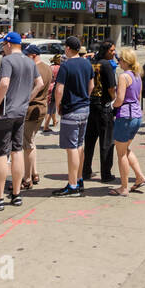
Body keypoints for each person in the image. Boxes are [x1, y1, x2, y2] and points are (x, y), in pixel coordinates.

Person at [0, 33, 35, 210]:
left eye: (4, 45)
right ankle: (16, 194)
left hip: (5, 113)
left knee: (0, 155)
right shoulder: (29, 60)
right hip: (21, 112)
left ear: (9, 44)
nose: (3, 48)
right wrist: (27, 98)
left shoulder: (7, 60)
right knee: (17, 151)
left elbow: (4, 83)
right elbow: (40, 82)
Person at [53, 36, 94, 197]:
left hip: (71, 109)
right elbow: (91, 85)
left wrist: (58, 106)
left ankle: (72, 185)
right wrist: (85, 97)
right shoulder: (86, 63)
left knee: (71, 148)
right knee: (79, 145)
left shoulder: (66, 65)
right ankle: (79, 178)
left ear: (68, 48)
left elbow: (59, 89)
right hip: (85, 107)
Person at [110, 48, 145, 195]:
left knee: (121, 154)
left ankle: (124, 186)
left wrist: (112, 105)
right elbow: (138, 97)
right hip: (136, 116)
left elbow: (119, 99)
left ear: (125, 61)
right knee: (125, 149)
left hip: (125, 116)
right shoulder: (137, 75)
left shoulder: (124, 77)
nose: (118, 61)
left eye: (119, 59)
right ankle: (139, 176)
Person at [82, 40, 117, 183]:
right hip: (104, 106)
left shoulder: (91, 63)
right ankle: (106, 173)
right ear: (105, 51)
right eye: (112, 51)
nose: (114, 53)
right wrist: (114, 101)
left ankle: (86, 170)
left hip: (91, 105)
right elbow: (111, 88)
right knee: (106, 141)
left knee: (89, 141)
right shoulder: (107, 65)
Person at [22, 44, 52, 190]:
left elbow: (36, 86)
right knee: (32, 141)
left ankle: (27, 178)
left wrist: (26, 99)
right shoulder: (47, 68)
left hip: (31, 108)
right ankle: (34, 173)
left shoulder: (33, 69)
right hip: (42, 108)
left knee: (27, 145)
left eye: (26, 55)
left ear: (33, 55)